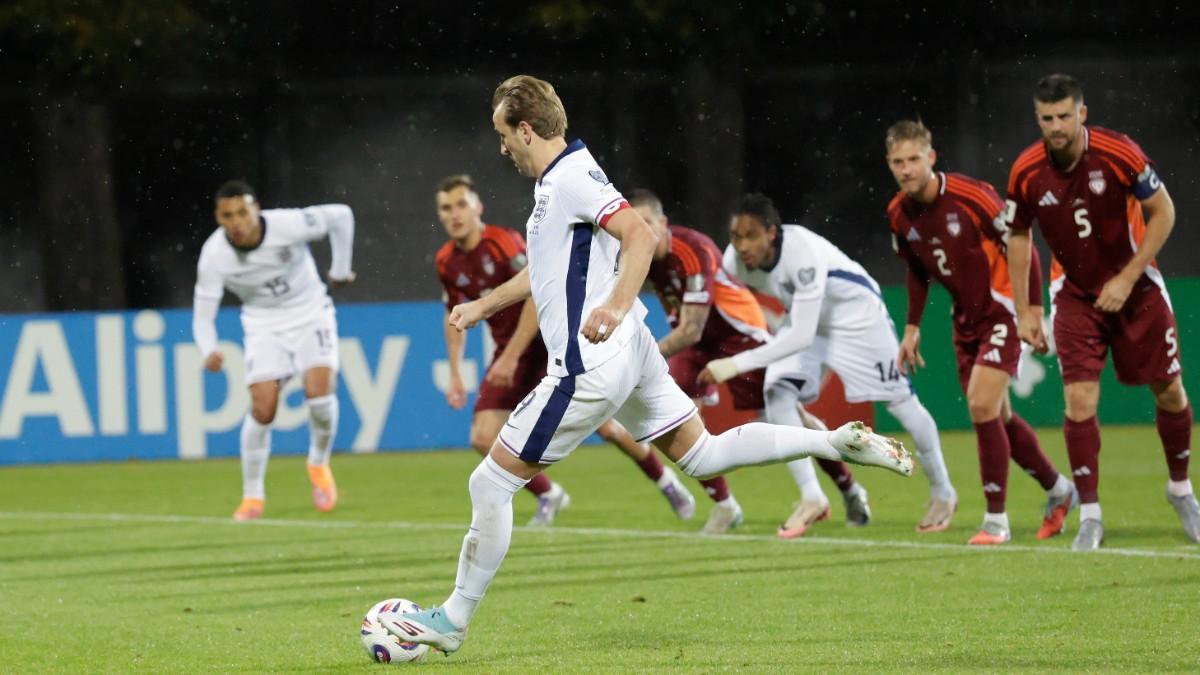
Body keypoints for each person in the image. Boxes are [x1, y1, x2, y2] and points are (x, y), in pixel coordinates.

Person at [393, 75, 912, 655]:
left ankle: (453, 621)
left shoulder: (567, 180)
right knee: (704, 453)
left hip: (587, 364)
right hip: (631, 350)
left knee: (488, 482)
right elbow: (545, 270)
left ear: (526, 128)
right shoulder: (567, 176)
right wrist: (485, 305)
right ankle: (834, 443)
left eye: (502, 134)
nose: (500, 147)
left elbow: (637, 234)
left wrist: (614, 306)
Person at [1005, 74, 1199, 550]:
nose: (1056, 126)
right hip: (1073, 296)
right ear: (1038, 119)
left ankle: (1181, 490)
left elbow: (1165, 212)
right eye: (1047, 118)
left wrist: (1128, 276)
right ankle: (1090, 513)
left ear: (1081, 114)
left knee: (1169, 391)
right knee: (1080, 402)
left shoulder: (1119, 152)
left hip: (1137, 288)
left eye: (1065, 116)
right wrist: (1026, 309)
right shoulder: (1026, 171)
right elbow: (1016, 234)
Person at [434, 174, 696, 526]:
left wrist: (511, 355)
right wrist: (455, 371)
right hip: (510, 351)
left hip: (553, 340)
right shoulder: (446, 261)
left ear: (478, 207)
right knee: (482, 436)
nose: (455, 214)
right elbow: (453, 314)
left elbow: (534, 292)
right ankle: (548, 494)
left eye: (461, 204)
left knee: (607, 428)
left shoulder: (504, 244)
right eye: (446, 208)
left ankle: (665, 481)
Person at [699, 193, 955, 533]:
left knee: (902, 405)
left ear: (771, 233)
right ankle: (812, 497)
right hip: (809, 323)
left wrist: (737, 363)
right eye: (736, 237)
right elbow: (732, 305)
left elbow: (800, 335)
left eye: (751, 236)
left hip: (857, 319)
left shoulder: (800, 253)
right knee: (777, 395)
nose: (742, 246)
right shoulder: (734, 261)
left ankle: (942, 491)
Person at [884, 119, 1077, 545]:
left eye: (914, 159)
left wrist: (1031, 311)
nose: (906, 169)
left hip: (1004, 310)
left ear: (931, 158)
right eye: (898, 162)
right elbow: (916, 270)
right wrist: (912, 325)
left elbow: (1021, 244)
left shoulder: (972, 197)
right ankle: (1060, 490)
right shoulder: (898, 214)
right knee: (998, 417)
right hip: (965, 320)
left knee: (980, 405)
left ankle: (996, 521)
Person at [192, 180, 354, 521]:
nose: (237, 222)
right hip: (263, 324)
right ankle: (252, 497)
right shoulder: (214, 256)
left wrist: (340, 268)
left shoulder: (288, 224)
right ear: (218, 218)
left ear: (256, 209)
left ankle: (318, 462)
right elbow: (202, 316)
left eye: (242, 212)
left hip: (311, 312)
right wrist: (208, 349)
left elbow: (341, 216)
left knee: (319, 395)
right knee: (263, 408)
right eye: (227, 215)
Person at [630, 188, 759, 534]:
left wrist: (643, 358)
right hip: (697, 347)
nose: (640, 231)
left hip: (740, 336)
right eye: (633, 224)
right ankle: (725, 505)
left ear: (663, 223)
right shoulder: (638, 256)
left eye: (647, 223)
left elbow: (691, 328)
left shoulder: (692, 249)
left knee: (783, 411)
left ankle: (846, 482)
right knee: (673, 419)